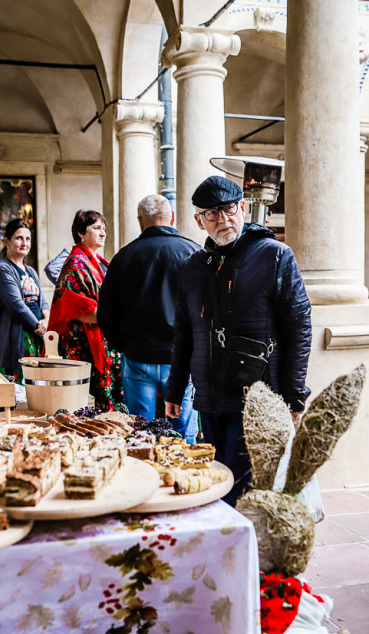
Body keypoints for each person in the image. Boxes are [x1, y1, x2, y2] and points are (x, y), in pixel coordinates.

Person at [164, 176, 312, 506]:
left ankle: (246, 554)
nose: (223, 219)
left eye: (229, 209)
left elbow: (298, 328)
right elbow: (184, 335)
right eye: (212, 214)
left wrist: (295, 395)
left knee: (240, 493)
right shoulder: (191, 269)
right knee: (216, 484)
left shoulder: (275, 256)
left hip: (256, 399)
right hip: (208, 400)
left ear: (242, 207)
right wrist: (175, 390)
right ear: (198, 220)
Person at [97, 194, 200, 442]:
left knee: (141, 433)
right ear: (171, 218)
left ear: (140, 221)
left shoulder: (123, 257)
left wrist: (123, 345)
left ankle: (146, 476)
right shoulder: (193, 253)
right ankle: (184, 477)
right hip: (181, 358)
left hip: (138, 356)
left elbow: (105, 313)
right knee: (183, 432)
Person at [47, 209, 123, 410]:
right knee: (90, 404)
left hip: (104, 337)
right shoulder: (75, 263)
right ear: (81, 232)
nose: (103, 233)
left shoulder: (99, 262)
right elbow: (77, 309)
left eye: (104, 228)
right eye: (96, 228)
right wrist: (117, 316)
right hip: (84, 344)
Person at [0, 218, 49, 383]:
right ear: (6, 241)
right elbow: (17, 306)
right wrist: (38, 326)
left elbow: (42, 301)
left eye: (28, 239)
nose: (24, 243)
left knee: (37, 387)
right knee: (18, 391)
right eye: (19, 238)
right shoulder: (2, 269)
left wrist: (46, 319)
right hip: (17, 338)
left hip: (37, 336)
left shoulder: (31, 271)